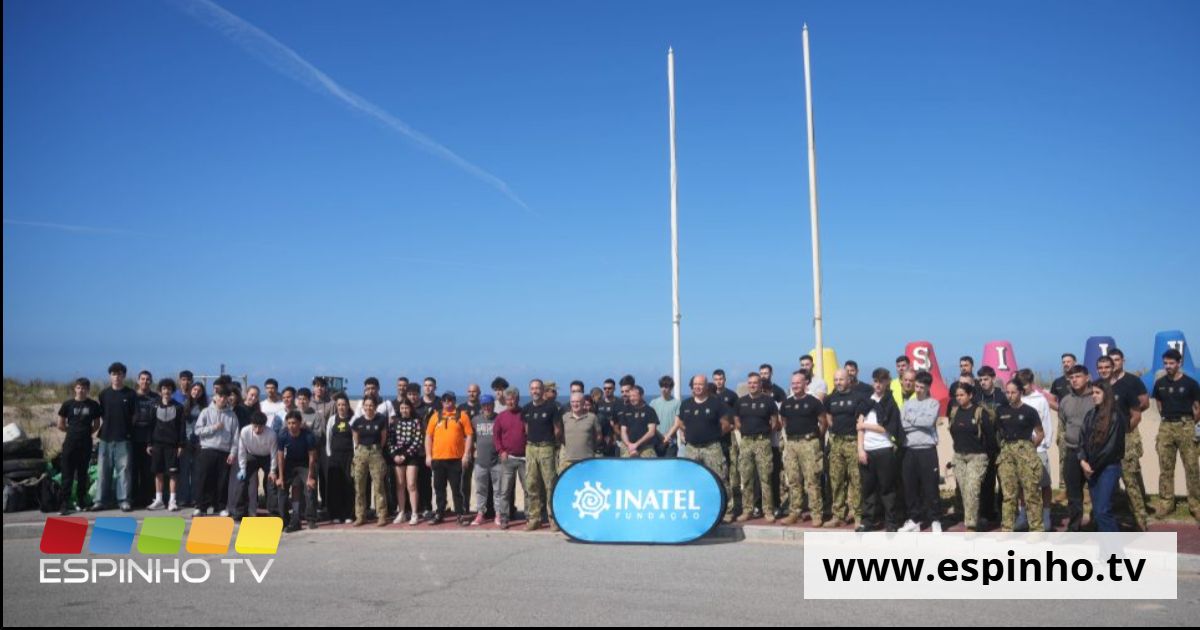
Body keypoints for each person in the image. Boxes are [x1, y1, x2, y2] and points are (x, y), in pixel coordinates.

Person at [663, 374, 736, 523]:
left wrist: (712, 434)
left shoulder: (716, 404)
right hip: (692, 448)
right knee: (690, 479)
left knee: (720, 478)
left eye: (700, 384)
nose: (697, 387)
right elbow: (681, 423)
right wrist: (689, 433)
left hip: (711, 447)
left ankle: (727, 510)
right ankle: (697, 508)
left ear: (706, 386)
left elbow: (726, 425)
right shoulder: (686, 404)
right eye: (695, 384)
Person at [1151, 348, 1200, 522]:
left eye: (1172, 363)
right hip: (1166, 426)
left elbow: (1197, 407)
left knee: (1192, 467)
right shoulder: (1160, 383)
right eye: (1165, 363)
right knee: (1165, 467)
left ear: (1179, 363)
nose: (1168, 366)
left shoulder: (1191, 383)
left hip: (1186, 425)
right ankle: (1166, 503)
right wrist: (1166, 418)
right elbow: (1158, 402)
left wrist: (1190, 425)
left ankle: (1195, 505)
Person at [1104, 348, 1151, 529]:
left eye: (1117, 360)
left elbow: (1143, 405)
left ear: (1123, 360)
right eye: (1111, 361)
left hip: (1127, 434)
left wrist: (1126, 427)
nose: (1114, 363)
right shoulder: (1102, 385)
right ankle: (1113, 512)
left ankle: (1140, 518)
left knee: (1130, 475)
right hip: (1108, 438)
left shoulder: (1131, 382)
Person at [995, 379, 1045, 532]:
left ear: (1020, 393)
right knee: (1009, 493)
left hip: (1025, 452)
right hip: (1007, 453)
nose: (1010, 395)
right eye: (1007, 392)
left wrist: (1029, 449)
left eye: (1013, 392)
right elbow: (998, 432)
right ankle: (1007, 527)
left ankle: (1036, 528)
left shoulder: (1029, 411)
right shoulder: (1001, 411)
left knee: (1031, 493)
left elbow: (1040, 433)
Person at [778, 370, 827, 527]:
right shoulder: (786, 403)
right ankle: (795, 513)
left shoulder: (814, 402)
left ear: (805, 384)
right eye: (793, 383)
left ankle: (816, 514)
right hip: (792, 444)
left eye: (798, 383)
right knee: (793, 480)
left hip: (809, 444)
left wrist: (816, 438)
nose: (795, 386)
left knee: (812, 480)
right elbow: (783, 421)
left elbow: (823, 422)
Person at [1080, 380, 1129, 532]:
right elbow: (1082, 439)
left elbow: (1111, 448)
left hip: (1107, 468)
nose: (1094, 396)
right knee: (1098, 511)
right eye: (1092, 393)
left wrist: (1091, 465)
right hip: (1091, 469)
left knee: (1103, 510)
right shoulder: (1090, 414)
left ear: (1106, 394)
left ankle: (1115, 551)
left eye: (1097, 393)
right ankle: (1106, 550)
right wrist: (1082, 461)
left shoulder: (1116, 416)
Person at [857, 368, 902, 532]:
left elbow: (887, 429)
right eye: (875, 381)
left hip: (884, 449)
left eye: (881, 381)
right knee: (868, 488)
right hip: (867, 450)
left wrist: (865, 425)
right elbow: (859, 427)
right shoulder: (866, 402)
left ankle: (891, 522)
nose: (878, 384)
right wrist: (860, 449)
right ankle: (867, 521)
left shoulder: (890, 403)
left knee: (887, 488)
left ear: (887, 382)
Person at [826, 369, 869, 527]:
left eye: (841, 380)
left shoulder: (858, 398)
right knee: (836, 480)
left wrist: (859, 446)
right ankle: (838, 515)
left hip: (853, 442)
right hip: (837, 443)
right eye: (835, 380)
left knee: (856, 481)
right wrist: (834, 428)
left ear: (849, 380)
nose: (838, 383)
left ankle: (858, 515)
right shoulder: (831, 398)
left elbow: (861, 421)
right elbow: (828, 416)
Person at [735, 373, 779, 523]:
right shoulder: (741, 402)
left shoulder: (768, 401)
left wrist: (764, 433)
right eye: (750, 383)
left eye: (755, 383)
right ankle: (747, 510)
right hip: (746, 442)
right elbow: (736, 419)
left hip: (762, 442)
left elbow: (774, 422)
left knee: (765, 477)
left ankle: (768, 510)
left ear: (760, 385)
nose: (752, 385)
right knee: (746, 477)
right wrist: (744, 431)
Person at [425, 392, 474, 526]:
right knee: (439, 488)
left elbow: (469, 435)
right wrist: (428, 455)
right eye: (446, 400)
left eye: (451, 400)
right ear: (442, 402)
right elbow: (428, 436)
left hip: (456, 459)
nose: (448, 402)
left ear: (454, 401)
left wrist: (466, 454)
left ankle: (460, 513)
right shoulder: (435, 416)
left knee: (457, 489)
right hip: (438, 459)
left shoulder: (462, 415)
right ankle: (439, 513)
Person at [1058, 365, 1096, 531]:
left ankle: (1098, 525)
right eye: (1072, 377)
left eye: (1078, 376)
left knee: (1096, 492)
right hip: (1072, 451)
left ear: (1087, 377)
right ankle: (1074, 528)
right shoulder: (1066, 400)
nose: (1075, 380)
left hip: (1093, 453)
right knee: (1073, 494)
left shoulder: (1095, 398)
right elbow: (1064, 423)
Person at [948, 383, 991, 530]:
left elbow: (990, 437)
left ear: (970, 395)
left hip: (977, 456)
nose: (959, 398)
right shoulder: (954, 412)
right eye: (957, 395)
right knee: (965, 491)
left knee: (972, 489)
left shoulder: (980, 412)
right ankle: (975, 518)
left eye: (962, 395)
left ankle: (971, 526)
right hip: (959, 457)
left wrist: (987, 455)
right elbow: (952, 432)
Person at [522, 379, 563, 532]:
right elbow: (526, 428)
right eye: (532, 388)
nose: (535, 391)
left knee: (550, 484)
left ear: (542, 390)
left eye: (538, 388)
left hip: (547, 448)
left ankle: (553, 519)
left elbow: (557, 429)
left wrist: (551, 444)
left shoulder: (552, 408)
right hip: (531, 448)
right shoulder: (526, 409)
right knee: (531, 484)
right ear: (529, 390)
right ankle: (535, 518)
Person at [95, 362, 136, 512]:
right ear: (110, 376)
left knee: (124, 471)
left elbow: (134, 416)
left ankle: (124, 500)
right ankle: (100, 500)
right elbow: (101, 415)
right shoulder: (104, 394)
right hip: (105, 437)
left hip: (123, 438)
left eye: (119, 374)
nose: (116, 377)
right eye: (114, 374)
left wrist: (128, 431)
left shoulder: (130, 394)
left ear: (124, 376)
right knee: (103, 471)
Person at [1017, 368, 1055, 531]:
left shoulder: (1040, 400)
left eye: (1024, 385)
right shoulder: (1015, 399)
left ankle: (1046, 516)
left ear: (1031, 383)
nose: (1022, 389)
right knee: (1021, 484)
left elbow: (1046, 423)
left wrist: (1043, 444)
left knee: (1044, 484)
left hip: (1038, 449)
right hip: (1020, 449)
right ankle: (1023, 515)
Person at [56, 378, 101, 515]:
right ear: (75, 389)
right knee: (67, 474)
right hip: (70, 443)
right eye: (79, 387)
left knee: (82, 473)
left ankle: (81, 501)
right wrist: (72, 432)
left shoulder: (93, 405)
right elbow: (60, 424)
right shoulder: (68, 404)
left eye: (84, 388)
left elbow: (97, 424)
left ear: (88, 390)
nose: (81, 390)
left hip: (86, 443)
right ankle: (64, 504)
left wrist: (86, 433)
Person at [193, 384, 236, 517]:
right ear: (215, 397)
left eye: (225, 397)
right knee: (204, 479)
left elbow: (236, 436)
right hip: (207, 449)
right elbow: (197, 430)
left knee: (222, 481)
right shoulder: (206, 411)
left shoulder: (232, 415)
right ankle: (201, 507)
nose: (222, 399)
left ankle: (220, 507)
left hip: (224, 451)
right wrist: (213, 428)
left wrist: (233, 452)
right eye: (220, 396)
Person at [276, 410, 318, 532]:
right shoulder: (283, 436)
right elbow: (280, 457)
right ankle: (286, 520)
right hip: (289, 464)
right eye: (289, 423)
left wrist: (310, 477)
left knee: (310, 488)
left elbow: (312, 458)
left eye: (294, 423)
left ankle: (311, 518)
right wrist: (281, 477)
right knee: (282, 490)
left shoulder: (308, 436)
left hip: (304, 464)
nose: (291, 426)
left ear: (300, 423)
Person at [147, 379, 185, 512]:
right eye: (164, 388)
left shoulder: (179, 407)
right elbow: (150, 426)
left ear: (172, 391)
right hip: (157, 445)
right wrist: (149, 443)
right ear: (160, 390)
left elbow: (182, 428)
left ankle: (172, 501)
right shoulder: (154, 406)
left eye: (169, 389)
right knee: (158, 472)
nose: (166, 391)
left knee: (173, 474)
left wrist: (181, 445)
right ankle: (159, 500)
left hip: (172, 446)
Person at [350, 397, 389, 527]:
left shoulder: (381, 420)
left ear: (375, 406)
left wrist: (376, 449)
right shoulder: (358, 422)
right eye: (366, 405)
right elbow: (356, 439)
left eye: (371, 405)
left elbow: (383, 438)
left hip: (376, 453)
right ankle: (360, 515)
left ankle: (382, 515)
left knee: (378, 485)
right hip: (361, 453)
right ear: (363, 407)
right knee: (359, 485)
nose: (368, 408)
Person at [975, 366, 1006, 523]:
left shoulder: (1002, 397)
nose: (983, 382)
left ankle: (1003, 513)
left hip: (1001, 447)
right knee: (986, 482)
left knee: (1004, 482)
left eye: (986, 379)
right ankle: (987, 513)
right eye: (980, 379)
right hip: (983, 448)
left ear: (993, 379)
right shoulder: (976, 397)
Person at [234, 408, 277, 519]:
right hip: (252, 456)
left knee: (270, 483)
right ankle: (241, 511)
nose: (257, 430)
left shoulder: (271, 434)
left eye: (260, 427)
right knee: (244, 482)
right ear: (251, 424)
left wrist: (272, 471)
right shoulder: (244, 431)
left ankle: (272, 511)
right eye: (255, 426)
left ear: (265, 425)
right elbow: (242, 451)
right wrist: (242, 468)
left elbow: (274, 454)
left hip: (267, 457)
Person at [494, 387, 527, 530]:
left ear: (518, 399)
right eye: (508, 399)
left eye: (513, 399)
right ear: (505, 401)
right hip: (508, 458)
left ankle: (529, 516)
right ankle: (504, 517)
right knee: (505, 490)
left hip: (525, 459)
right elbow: (496, 436)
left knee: (528, 489)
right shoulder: (501, 417)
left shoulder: (525, 414)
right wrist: (501, 450)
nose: (511, 401)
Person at [388, 398, 424, 525]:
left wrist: (405, 455)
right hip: (397, 456)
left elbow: (418, 440)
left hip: (411, 456)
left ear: (411, 409)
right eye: (402, 408)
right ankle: (402, 512)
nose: (404, 410)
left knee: (411, 484)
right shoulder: (394, 422)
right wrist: (394, 455)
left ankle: (414, 513)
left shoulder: (416, 421)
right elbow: (390, 440)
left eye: (406, 408)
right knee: (400, 485)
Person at [470, 395, 503, 526]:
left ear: (493, 405)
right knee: (480, 490)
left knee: (498, 490)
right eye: (484, 405)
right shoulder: (475, 420)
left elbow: (503, 436)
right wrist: (472, 449)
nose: (487, 407)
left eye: (489, 404)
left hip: (497, 461)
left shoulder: (499, 418)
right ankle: (480, 514)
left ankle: (498, 514)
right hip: (480, 462)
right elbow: (470, 437)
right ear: (481, 406)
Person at [712, 369, 742, 513]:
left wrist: (734, 427)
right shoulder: (710, 396)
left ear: (725, 379)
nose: (719, 381)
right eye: (716, 379)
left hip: (730, 436)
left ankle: (736, 504)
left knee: (733, 469)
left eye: (721, 379)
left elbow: (737, 415)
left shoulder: (731, 395)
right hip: (715, 439)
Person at [324, 393, 356, 524]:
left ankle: (348, 514)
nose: (341, 407)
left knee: (348, 485)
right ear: (336, 406)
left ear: (348, 406)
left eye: (344, 404)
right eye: (339, 405)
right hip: (335, 458)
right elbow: (328, 438)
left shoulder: (353, 420)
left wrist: (355, 456)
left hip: (349, 457)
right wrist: (329, 454)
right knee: (335, 486)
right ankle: (335, 514)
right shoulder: (332, 419)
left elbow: (355, 439)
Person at [130, 370, 157, 508]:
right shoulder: (131, 396)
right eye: (142, 379)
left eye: (147, 379)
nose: (145, 381)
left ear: (150, 382)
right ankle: (134, 498)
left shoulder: (155, 398)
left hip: (149, 439)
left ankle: (148, 498)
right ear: (138, 380)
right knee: (133, 471)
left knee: (148, 472)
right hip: (133, 439)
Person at [178, 382, 207, 508]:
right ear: (190, 391)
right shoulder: (184, 405)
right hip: (186, 441)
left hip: (200, 442)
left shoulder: (205, 407)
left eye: (199, 390)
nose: (196, 392)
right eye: (194, 389)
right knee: (184, 471)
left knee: (197, 471)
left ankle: (196, 498)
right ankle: (183, 498)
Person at [560, 392, 602, 471]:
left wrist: (591, 447)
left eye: (577, 402)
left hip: (587, 460)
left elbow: (599, 436)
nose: (575, 404)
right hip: (568, 460)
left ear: (583, 403)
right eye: (573, 402)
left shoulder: (592, 417)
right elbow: (561, 435)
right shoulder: (564, 417)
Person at [619, 385, 660, 459]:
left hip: (646, 447)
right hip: (628, 447)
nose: (632, 398)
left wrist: (636, 444)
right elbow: (623, 431)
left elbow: (651, 432)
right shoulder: (626, 410)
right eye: (630, 396)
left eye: (634, 396)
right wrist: (629, 445)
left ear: (641, 396)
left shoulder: (649, 411)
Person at [650, 376, 682, 457]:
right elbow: (651, 422)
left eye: (666, 387)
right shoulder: (653, 403)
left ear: (671, 388)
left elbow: (677, 423)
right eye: (662, 386)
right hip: (656, 441)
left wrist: (667, 436)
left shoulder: (677, 403)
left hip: (671, 442)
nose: (663, 389)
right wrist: (661, 437)